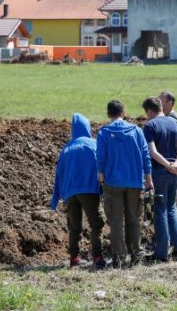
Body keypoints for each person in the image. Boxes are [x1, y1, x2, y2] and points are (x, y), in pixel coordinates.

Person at [97, 100, 153, 268]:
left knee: (115, 221)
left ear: (108, 114)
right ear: (123, 113)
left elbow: (101, 156)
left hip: (112, 182)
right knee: (134, 219)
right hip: (135, 182)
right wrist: (148, 176)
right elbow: (145, 154)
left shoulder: (104, 132)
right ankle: (136, 254)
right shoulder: (136, 131)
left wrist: (100, 173)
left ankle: (119, 258)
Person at [50, 113, 106, 269]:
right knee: (97, 224)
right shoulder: (92, 144)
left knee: (75, 227)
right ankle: (97, 257)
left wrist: (55, 199)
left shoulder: (66, 149)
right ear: (87, 127)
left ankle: (74, 259)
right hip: (88, 190)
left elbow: (58, 175)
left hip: (69, 194)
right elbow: (100, 165)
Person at [141, 97, 177, 263]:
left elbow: (152, 152)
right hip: (173, 172)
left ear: (149, 111)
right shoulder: (174, 122)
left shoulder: (150, 125)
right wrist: (175, 164)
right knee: (171, 208)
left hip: (159, 171)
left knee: (160, 210)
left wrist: (168, 165)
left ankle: (161, 253)